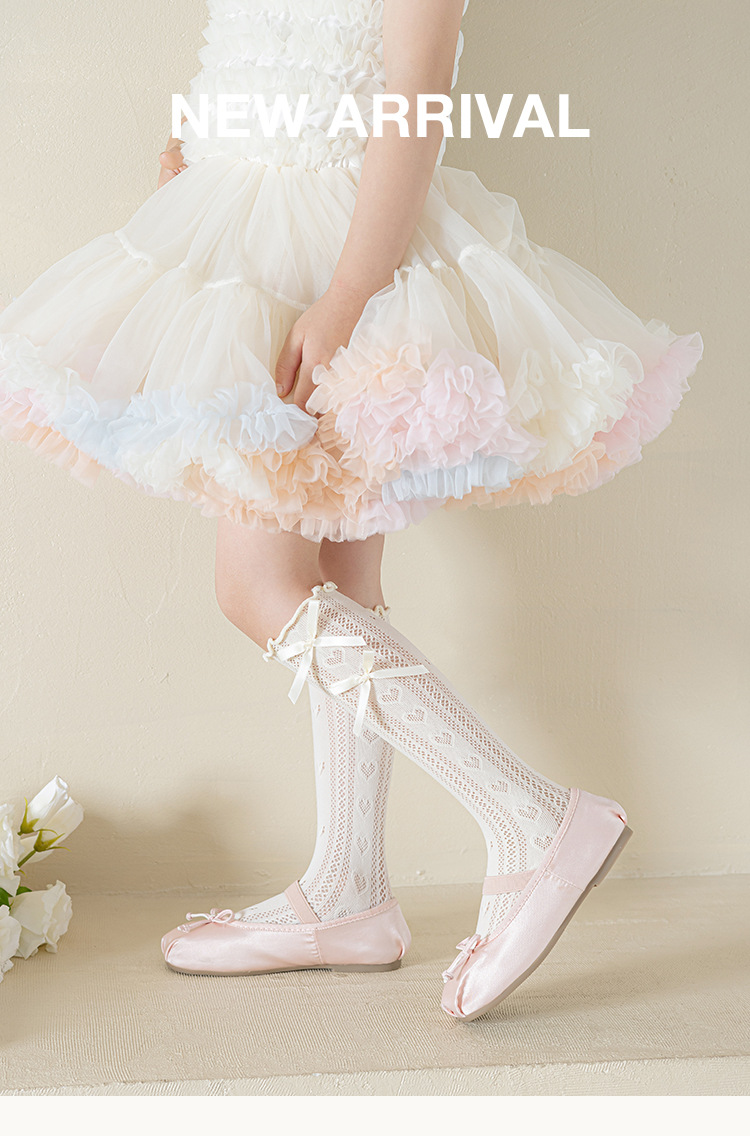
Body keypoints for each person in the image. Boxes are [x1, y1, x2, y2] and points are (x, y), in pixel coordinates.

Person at [0, 0, 702, 1022]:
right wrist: (194, 138)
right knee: (337, 577)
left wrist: (346, 298)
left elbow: (416, 95)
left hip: (340, 253)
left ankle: (532, 816)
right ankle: (349, 890)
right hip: (242, 225)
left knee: (258, 586)